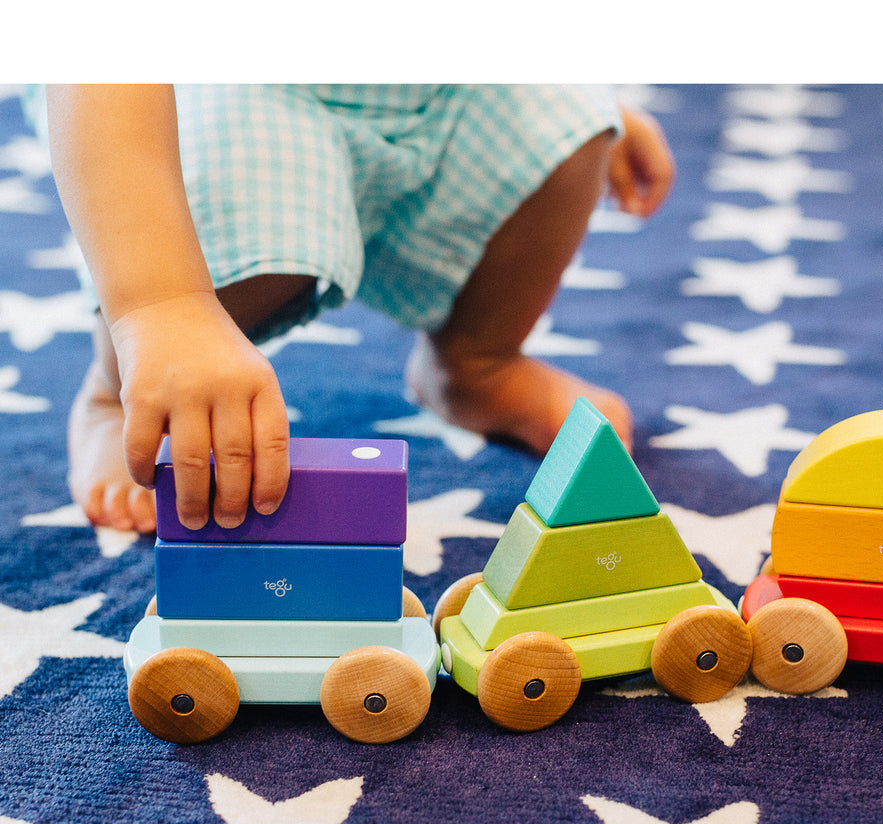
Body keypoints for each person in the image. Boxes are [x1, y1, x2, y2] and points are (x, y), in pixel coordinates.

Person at [40, 84, 675, 535]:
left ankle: (479, 365)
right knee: (227, 240)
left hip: (431, 87)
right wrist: (161, 306)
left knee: (566, 122)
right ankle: (117, 391)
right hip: (242, 92)